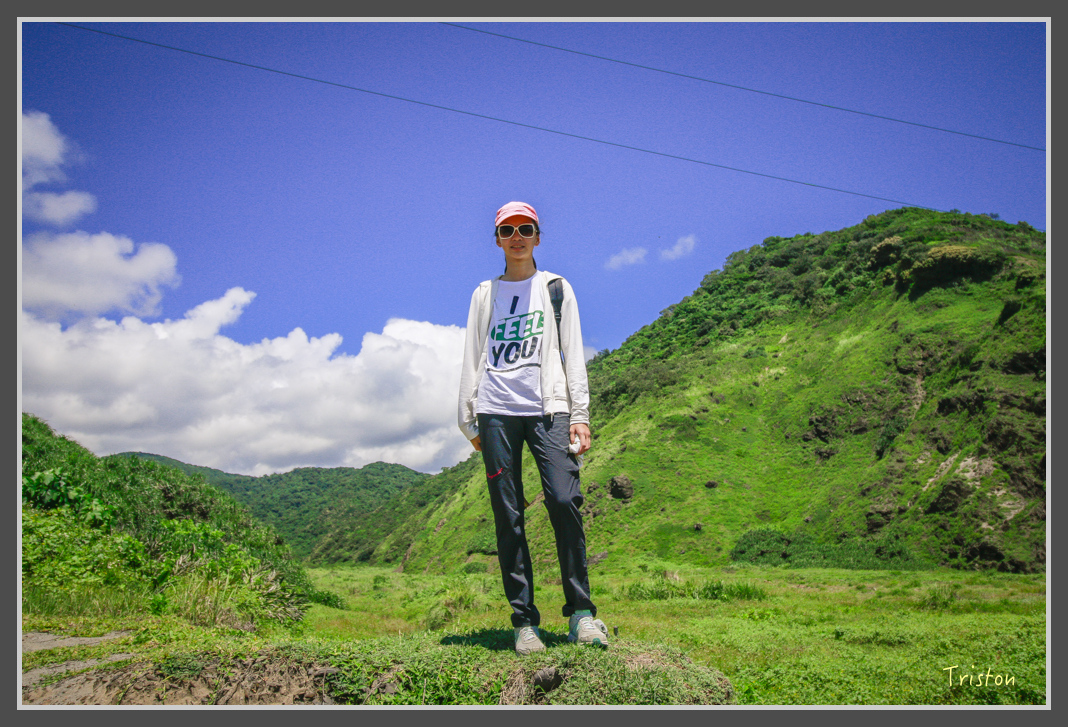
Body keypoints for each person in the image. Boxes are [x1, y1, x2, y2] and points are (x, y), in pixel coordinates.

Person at [457, 201, 607, 655]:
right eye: (507, 230)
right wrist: (469, 416)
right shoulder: (485, 293)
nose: (517, 236)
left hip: (549, 410)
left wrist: (579, 414)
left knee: (564, 500)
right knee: (509, 516)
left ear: (538, 237)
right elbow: (472, 353)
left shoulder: (556, 288)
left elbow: (572, 353)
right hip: (496, 411)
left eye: (525, 228)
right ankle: (524, 622)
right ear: (498, 240)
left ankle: (581, 614)